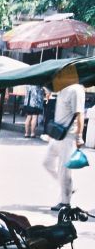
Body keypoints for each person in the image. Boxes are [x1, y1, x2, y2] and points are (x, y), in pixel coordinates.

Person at [43, 83, 85, 211]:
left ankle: (65, 202)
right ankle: (68, 188)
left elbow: (80, 114)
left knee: (65, 171)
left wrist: (79, 136)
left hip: (68, 137)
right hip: (57, 134)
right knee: (47, 163)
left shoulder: (75, 90)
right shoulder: (61, 88)